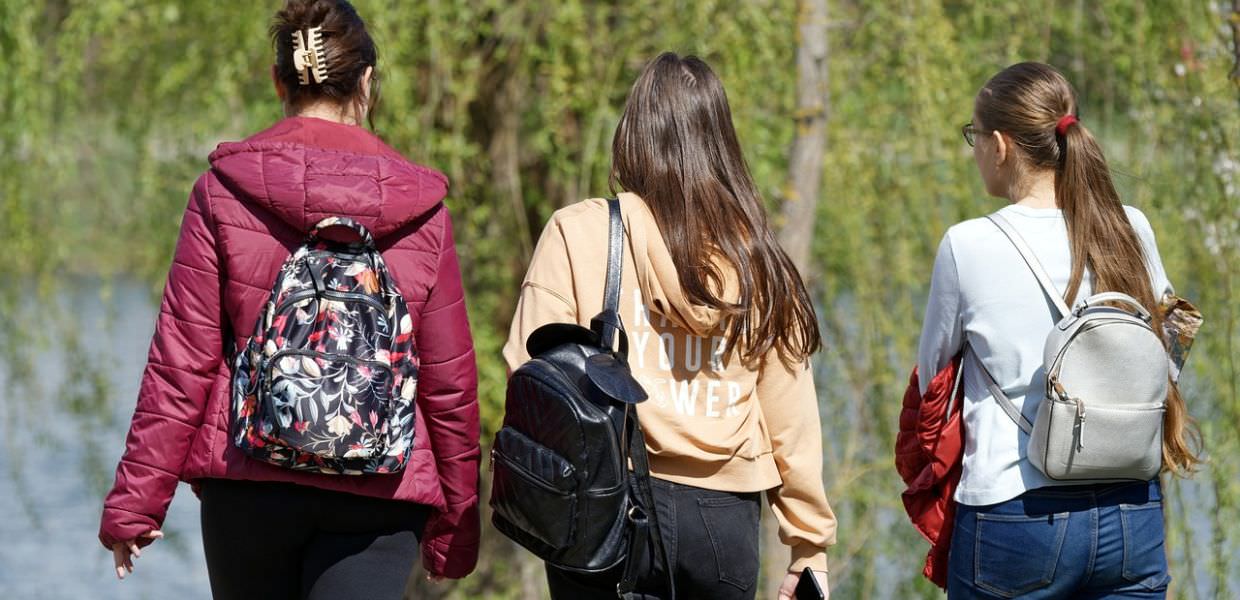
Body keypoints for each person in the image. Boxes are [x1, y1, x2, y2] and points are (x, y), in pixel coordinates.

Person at [97, 1, 481, 597]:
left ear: (279, 79)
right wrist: (455, 525)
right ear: (367, 82)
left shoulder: (222, 190)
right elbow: (449, 384)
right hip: (382, 489)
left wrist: (137, 504)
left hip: (249, 482)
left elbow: (182, 360)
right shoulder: (424, 210)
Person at [503, 52, 836, 600]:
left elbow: (528, 374)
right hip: (723, 521)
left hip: (601, 507)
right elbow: (791, 417)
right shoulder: (758, 258)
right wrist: (809, 544)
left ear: (632, 134)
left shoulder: (580, 232)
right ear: (722, 142)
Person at [918, 62, 1200, 598]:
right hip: (1130, 510)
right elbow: (1168, 341)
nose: (974, 149)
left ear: (999, 145)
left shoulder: (968, 244)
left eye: (973, 137)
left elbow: (933, 380)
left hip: (1015, 511)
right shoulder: (1129, 224)